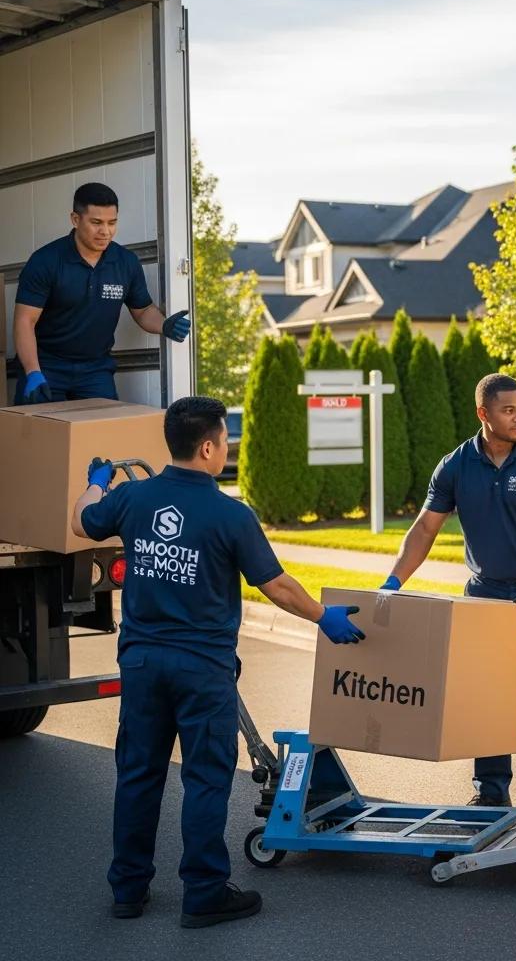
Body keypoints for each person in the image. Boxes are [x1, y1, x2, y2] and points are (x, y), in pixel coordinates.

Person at [71, 396, 364, 927]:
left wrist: (97, 479)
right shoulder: (230, 514)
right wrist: (325, 617)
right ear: (207, 447)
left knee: (137, 775)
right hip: (202, 670)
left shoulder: (131, 498)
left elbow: (81, 522)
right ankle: (204, 892)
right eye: (224, 440)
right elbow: (275, 585)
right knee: (205, 779)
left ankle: (128, 891)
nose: (225, 448)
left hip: (141, 665)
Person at [380, 373, 516, 805]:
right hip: (486, 593)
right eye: (508, 410)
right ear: (484, 414)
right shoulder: (456, 466)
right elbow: (424, 529)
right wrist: (393, 581)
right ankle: (491, 791)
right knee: (487, 694)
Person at [13, 182, 191, 405]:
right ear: (75, 219)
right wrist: (32, 372)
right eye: (96, 222)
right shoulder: (46, 261)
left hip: (95, 369)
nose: (105, 231)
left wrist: (164, 325)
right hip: (47, 366)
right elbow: (24, 321)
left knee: (102, 435)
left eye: (112, 222)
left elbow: (143, 310)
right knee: (41, 436)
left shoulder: (125, 262)